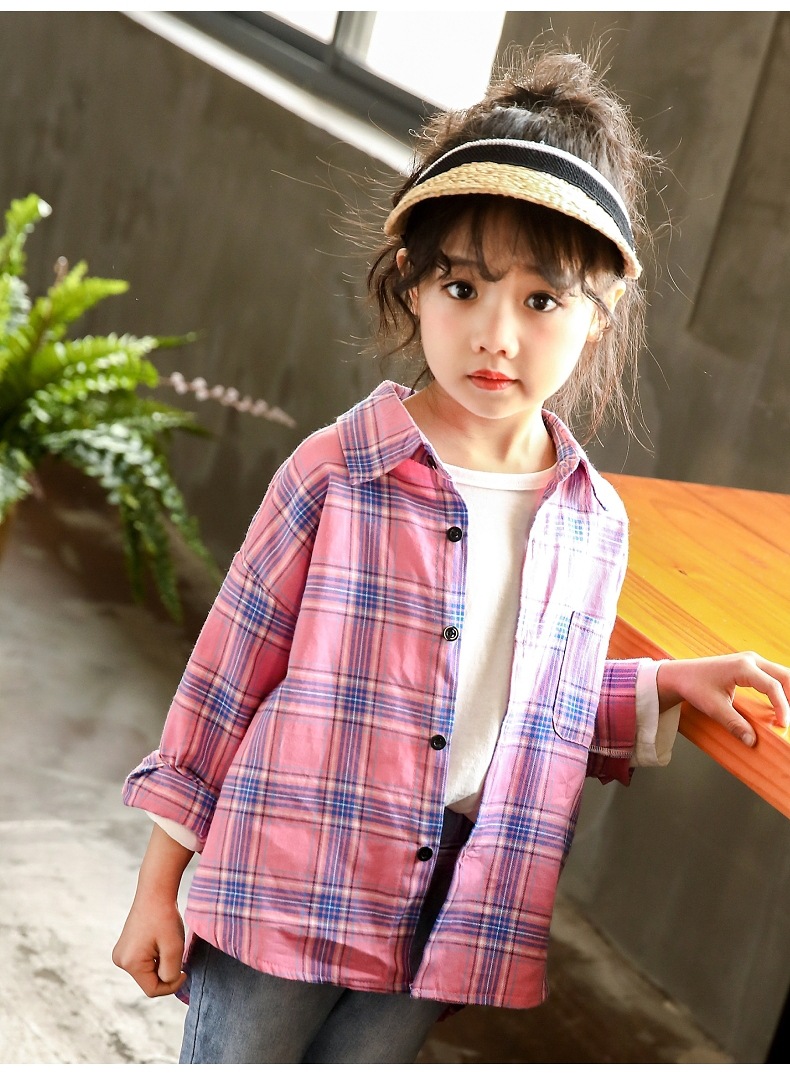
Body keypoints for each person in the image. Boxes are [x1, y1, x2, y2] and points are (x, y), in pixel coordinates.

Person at [112, 45, 790, 1064]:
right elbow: (221, 684)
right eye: (463, 287)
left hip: (453, 904)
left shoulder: (591, 521)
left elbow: (528, 709)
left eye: (541, 301)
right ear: (412, 286)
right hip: (288, 879)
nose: (495, 336)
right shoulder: (337, 472)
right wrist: (156, 887)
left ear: (600, 316)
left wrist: (662, 686)